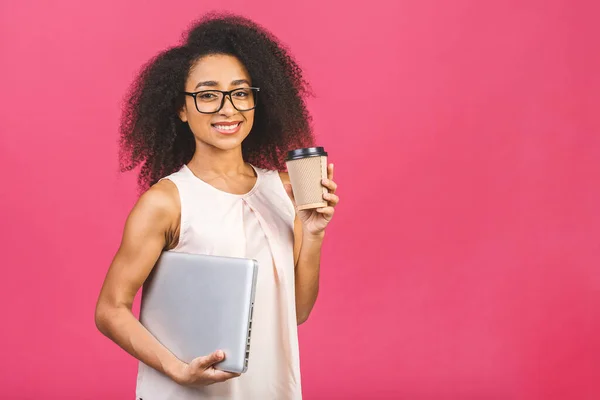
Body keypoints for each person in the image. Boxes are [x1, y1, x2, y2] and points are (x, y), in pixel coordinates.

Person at [94, 12, 340, 400]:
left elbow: (294, 313)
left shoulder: (286, 190)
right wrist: (177, 370)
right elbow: (110, 309)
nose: (228, 109)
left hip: (267, 388)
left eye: (241, 93)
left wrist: (313, 234)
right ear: (181, 107)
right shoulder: (166, 202)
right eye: (208, 95)